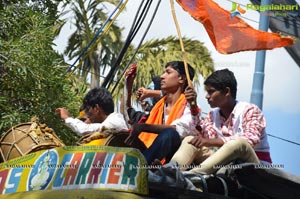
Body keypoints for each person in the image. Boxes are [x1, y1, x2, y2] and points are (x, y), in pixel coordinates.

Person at [171, 68, 272, 174]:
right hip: (225, 164)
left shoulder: (250, 110)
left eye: (211, 91)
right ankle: (170, 171)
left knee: (240, 144)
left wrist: (209, 142)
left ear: (227, 92)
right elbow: (202, 135)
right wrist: (193, 105)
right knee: (190, 140)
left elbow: (250, 139)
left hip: (253, 168)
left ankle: (190, 176)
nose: (207, 96)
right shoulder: (212, 115)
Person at [124, 61, 196, 165]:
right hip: (149, 153)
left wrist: (144, 127)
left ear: (181, 78)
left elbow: (180, 130)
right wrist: (128, 84)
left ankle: (139, 168)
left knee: (170, 134)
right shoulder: (157, 108)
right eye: (163, 73)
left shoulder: (190, 106)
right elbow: (126, 111)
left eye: (168, 72)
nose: (162, 76)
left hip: (173, 159)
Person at [56, 87, 128, 138]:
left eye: (87, 110)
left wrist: (67, 118)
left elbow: (84, 130)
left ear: (96, 108)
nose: (87, 115)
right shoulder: (110, 121)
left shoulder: (114, 121)